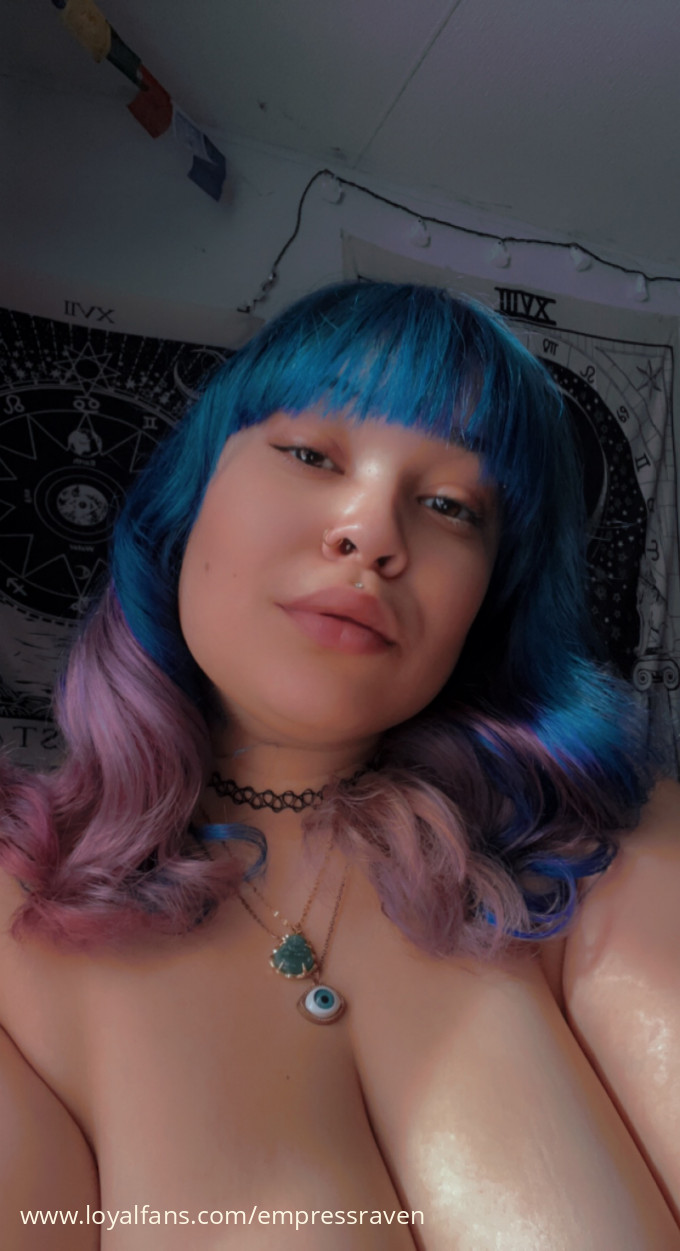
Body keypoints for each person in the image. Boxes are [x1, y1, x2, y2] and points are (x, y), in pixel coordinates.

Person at [0, 281, 678, 1250]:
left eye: (448, 506)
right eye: (312, 455)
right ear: (188, 500)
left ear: (487, 604)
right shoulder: (17, 916)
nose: (372, 532)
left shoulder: (600, 851)